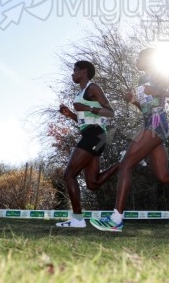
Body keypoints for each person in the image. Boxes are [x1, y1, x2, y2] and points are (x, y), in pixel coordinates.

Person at [90, 48, 169, 232]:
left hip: (156, 124)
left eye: (139, 57)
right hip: (150, 124)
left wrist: (159, 91)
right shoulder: (142, 80)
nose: (136, 60)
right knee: (164, 176)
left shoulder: (160, 74)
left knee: (126, 163)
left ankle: (116, 219)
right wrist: (133, 101)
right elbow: (147, 107)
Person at [56, 60, 119, 228]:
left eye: (74, 70)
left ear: (83, 72)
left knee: (69, 175)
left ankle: (77, 219)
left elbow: (110, 112)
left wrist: (86, 107)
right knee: (93, 184)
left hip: (95, 134)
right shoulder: (80, 93)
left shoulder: (93, 88)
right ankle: (124, 161)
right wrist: (70, 114)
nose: (72, 74)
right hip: (93, 135)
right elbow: (83, 120)